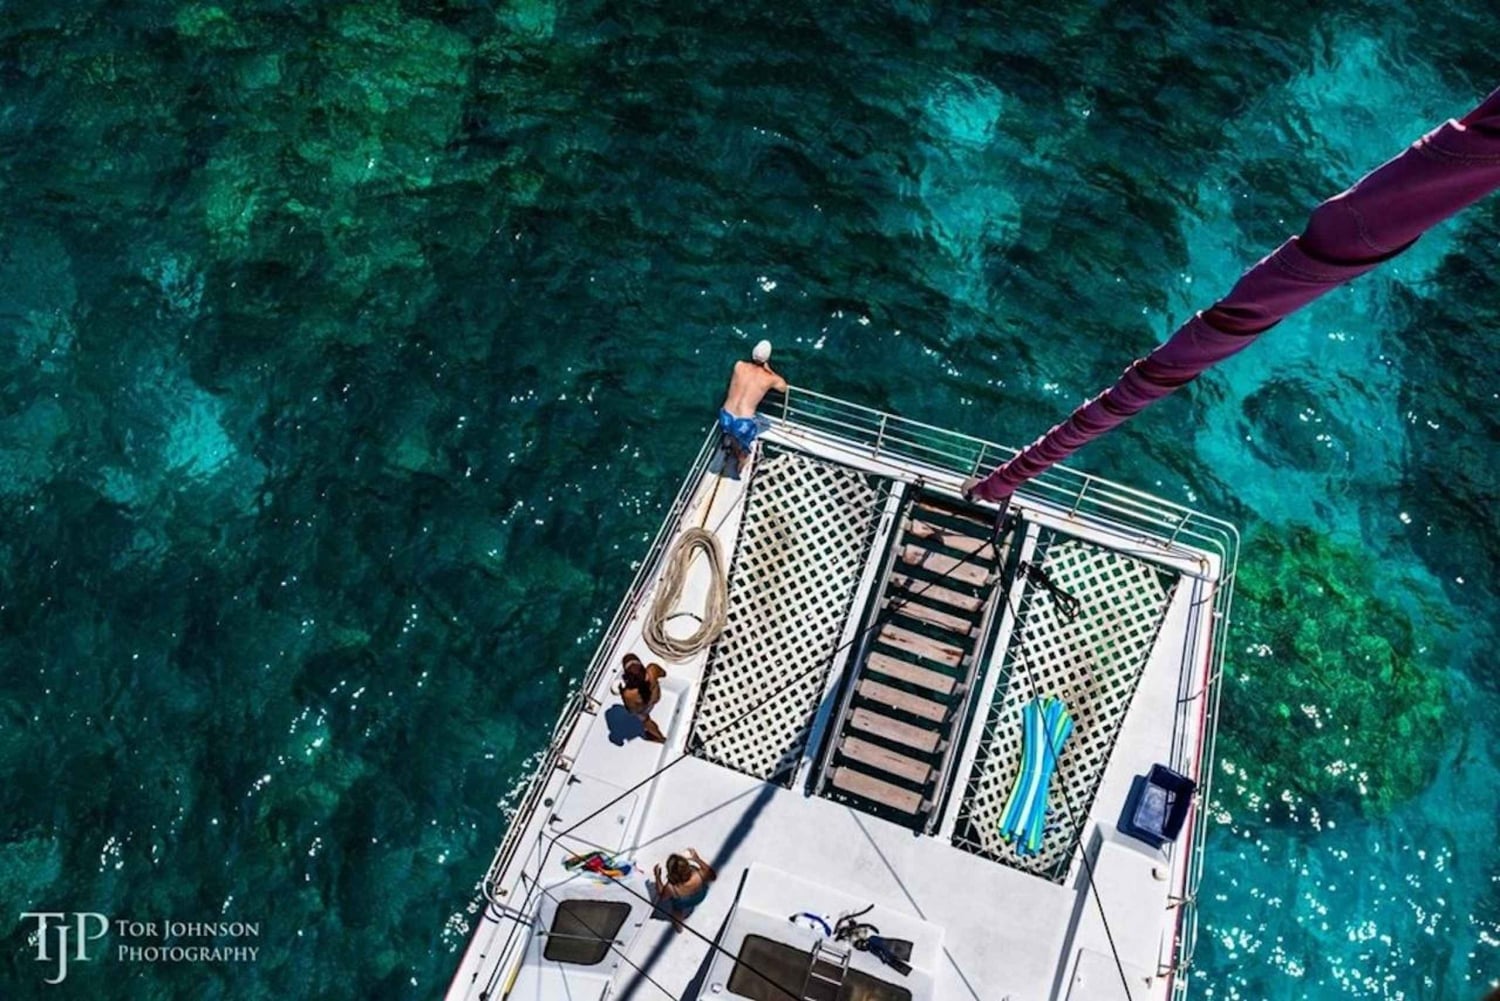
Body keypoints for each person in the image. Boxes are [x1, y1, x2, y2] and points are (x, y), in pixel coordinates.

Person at [718, 340, 788, 475]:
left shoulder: (739, 365)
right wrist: (770, 370)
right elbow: (783, 388)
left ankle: (731, 442)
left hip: (725, 415)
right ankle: (740, 465)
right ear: (767, 359)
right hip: (742, 423)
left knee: (732, 433)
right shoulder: (769, 378)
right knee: (744, 451)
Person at [653, 848, 717, 932]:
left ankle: (679, 926)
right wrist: (697, 859)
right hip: (700, 896)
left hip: (683, 903)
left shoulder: (671, 887)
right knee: (704, 882)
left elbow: (662, 896)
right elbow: (713, 877)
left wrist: (657, 877)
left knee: (676, 910)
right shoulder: (699, 873)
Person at [618, 653, 666, 743]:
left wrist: (622, 693)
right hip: (656, 698)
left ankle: (660, 738)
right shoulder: (652, 670)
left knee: (646, 721)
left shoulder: (628, 694)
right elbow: (663, 673)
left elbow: (632, 711)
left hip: (644, 707)